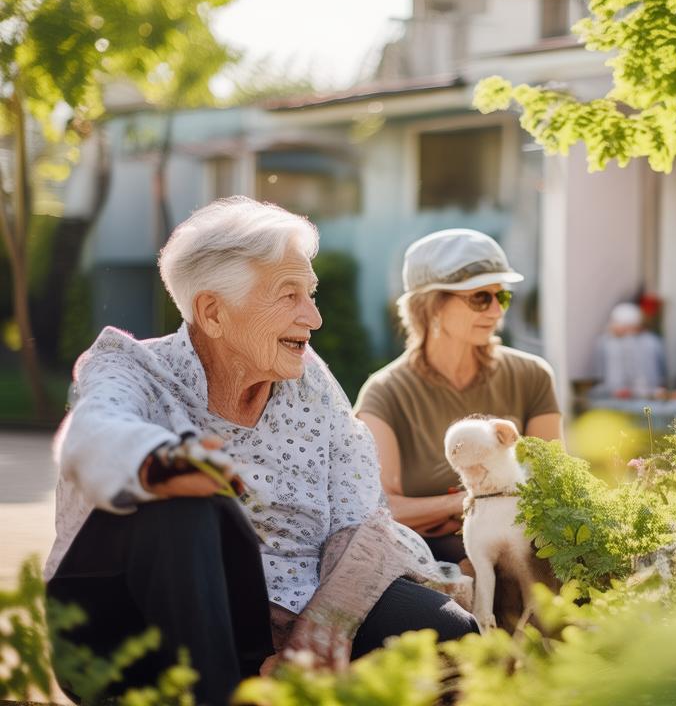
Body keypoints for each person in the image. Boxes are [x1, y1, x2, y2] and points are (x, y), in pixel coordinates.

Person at [46, 198, 477, 706]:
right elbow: (94, 430)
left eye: (310, 294)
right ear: (212, 312)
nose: (313, 317)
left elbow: (362, 521)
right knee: (193, 506)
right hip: (139, 619)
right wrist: (161, 464)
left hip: (291, 614)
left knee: (447, 635)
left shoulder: (309, 381)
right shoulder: (132, 366)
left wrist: (315, 639)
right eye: (289, 295)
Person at [354, 229, 563, 564]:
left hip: (525, 557)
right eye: (480, 298)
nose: (496, 311)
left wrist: (430, 510)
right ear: (431, 306)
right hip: (429, 568)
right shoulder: (385, 393)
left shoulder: (532, 376)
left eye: (502, 297)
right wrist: (468, 501)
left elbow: (555, 484)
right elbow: (377, 509)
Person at [590, 302, 667, 398]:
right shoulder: (605, 342)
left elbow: (660, 369)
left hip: (647, 394)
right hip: (614, 394)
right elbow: (600, 372)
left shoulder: (650, 342)